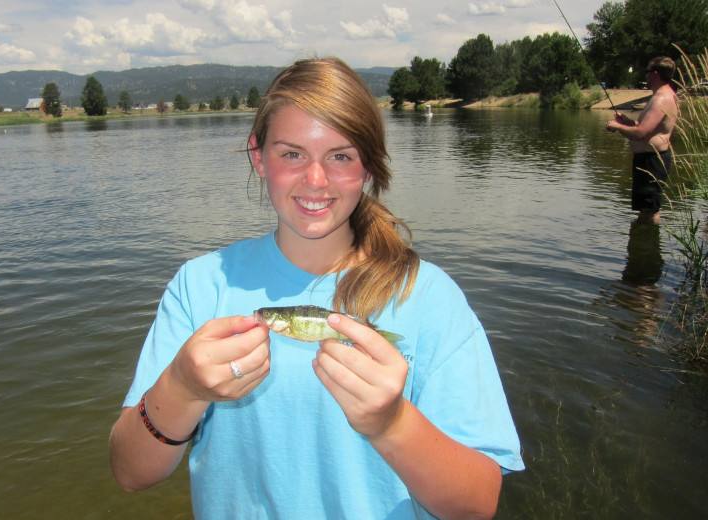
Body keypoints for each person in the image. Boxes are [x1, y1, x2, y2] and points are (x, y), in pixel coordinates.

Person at [109, 56, 524, 519]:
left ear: (367, 168)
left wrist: (392, 423)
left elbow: (477, 505)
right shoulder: (200, 286)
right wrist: (183, 387)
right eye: (292, 153)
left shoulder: (428, 298)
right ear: (258, 157)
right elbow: (130, 472)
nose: (315, 179)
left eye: (341, 156)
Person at [606, 56, 679, 224]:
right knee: (645, 210)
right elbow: (642, 127)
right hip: (647, 160)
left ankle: (648, 246)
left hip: (653, 161)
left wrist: (615, 126)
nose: (645, 75)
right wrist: (627, 123)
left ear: (654, 74)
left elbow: (641, 133)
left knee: (649, 211)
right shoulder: (660, 96)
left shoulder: (661, 98)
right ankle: (642, 245)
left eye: (646, 71)